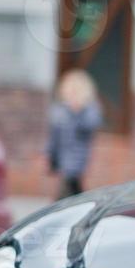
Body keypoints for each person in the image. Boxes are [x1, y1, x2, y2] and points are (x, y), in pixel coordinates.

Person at [46, 69, 102, 200]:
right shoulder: (60, 110)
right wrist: (51, 156)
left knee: (66, 193)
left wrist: (78, 112)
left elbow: (91, 125)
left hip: (78, 159)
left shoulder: (89, 109)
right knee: (74, 193)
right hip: (62, 158)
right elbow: (54, 136)